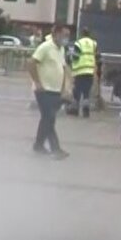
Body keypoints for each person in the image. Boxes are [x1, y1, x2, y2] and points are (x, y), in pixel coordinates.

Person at [28, 25, 71, 159]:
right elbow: (31, 63)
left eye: (67, 36)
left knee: (47, 119)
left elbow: (63, 69)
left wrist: (64, 88)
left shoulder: (61, 49)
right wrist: (37, 82)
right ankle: (55, 149)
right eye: (64, 35)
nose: (66, 38)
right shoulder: (46, 47)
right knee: (49, 117)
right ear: (56, 34)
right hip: (44, 90)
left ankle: (38, 144)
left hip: (55, 90)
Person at [67, 27, 99, 117]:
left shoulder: (78, 43)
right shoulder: (93, 43)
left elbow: (76, 57)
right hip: (89, 71)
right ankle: (86, 111)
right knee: (86, 92)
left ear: (81, 34)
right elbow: (97, 57)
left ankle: (75, 110)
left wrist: (71, 62)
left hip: (79, 71)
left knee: (77, 91)